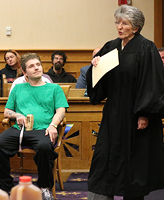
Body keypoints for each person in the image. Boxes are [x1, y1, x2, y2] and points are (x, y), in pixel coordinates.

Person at [86, 5, 164, 200]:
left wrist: (144, 113)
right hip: (113, 113)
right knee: (106, 156)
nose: (119, 27)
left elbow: (152, 82)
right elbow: (101, 82)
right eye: (117, 22)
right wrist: (94, 66)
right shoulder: (110, 46)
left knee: (134, 161)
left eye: (125, 23)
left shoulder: (147, 47)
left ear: (136, 27)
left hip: (135, 114)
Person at [0, 53, 68, 200]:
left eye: (38, 65)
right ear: (25, 72)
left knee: (44, 148)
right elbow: (7, 111)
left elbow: (61, 110)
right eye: (31, 66)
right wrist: (17, 115)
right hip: (20, 130)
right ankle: (6, 186)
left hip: (44, 129)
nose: (36, 68)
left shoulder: (54, 88)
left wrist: (53, 125)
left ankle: (44, 187)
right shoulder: (18, 88)